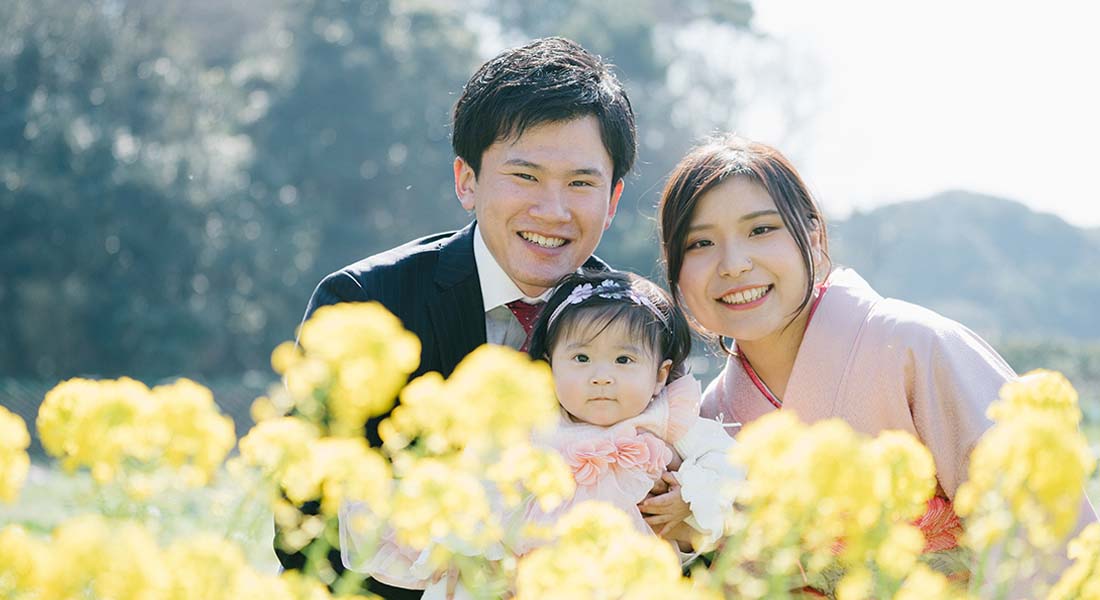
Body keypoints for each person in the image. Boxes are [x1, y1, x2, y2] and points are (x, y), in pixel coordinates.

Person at [282, 37, 637, 597]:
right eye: (524, 176)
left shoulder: (634, 321)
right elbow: (302, 526)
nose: (553, 209)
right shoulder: (363, 303)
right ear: (466, 181)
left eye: (581, 183)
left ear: (612, 200)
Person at [656, 134, 1098, 580]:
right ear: (675, 268)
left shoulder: (916, 347)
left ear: (812, 235)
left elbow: (1041, 535)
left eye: (761, 230)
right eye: (700, 244)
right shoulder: (707, 418)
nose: (733, 264)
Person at [341, 270, 743, 597]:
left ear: (659, 376)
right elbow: (486, 485)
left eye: (624, 359)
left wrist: (688, 500)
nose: (602, 376)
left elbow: (725, 464)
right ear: (550, 366)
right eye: (581, 358)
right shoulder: (535, 424)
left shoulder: (669, 419)